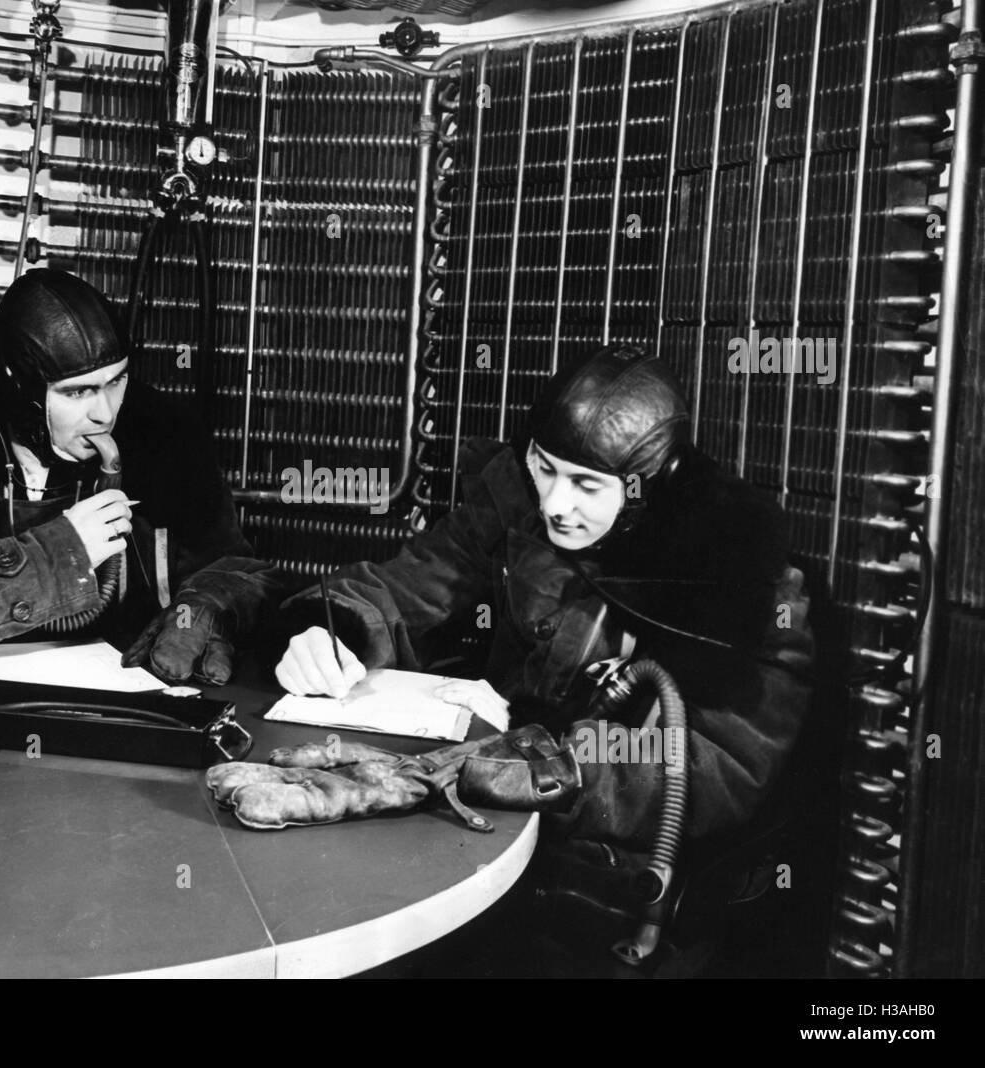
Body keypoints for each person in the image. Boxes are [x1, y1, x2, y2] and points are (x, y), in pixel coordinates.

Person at [274, 344, 814, 856]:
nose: (555, 503)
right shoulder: (518, 500)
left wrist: (543, 763)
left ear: (646, 487)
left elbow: (721, 768)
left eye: (586, 484)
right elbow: (410, 583)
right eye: (545, 467)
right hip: (479, 812)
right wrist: (331, 631)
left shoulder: (741, 578)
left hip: (603, 866)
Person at [0, 268, 284, 685]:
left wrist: (208, 603)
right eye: (76, 392)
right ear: (20, 391)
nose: (104, 413)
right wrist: (61, 552)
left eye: (116, 382)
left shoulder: (163, 433)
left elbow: (239, 569)